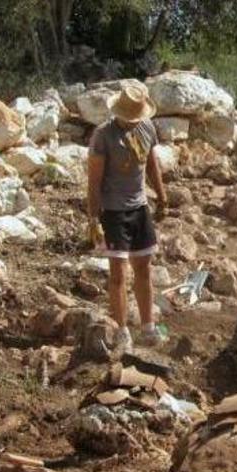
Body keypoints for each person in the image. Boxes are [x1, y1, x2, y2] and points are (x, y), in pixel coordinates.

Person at [87, 86, 168, 352]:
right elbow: (94, 179)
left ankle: (148, 327)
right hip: (113, 210)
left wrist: (162, 195)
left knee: (143, 267)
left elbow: (152, 164)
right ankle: (122, 331)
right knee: (118, 273)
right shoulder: (103, 135)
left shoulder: (146, 128)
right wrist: (93, 217)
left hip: (139, 206)